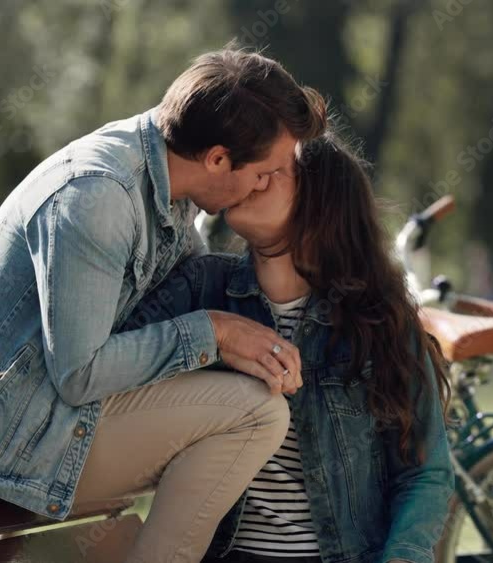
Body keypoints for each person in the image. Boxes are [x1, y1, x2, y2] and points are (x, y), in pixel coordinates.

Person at [0, 46, 327, 562]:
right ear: (218, 158)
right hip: (18, 430)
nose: (265, 184)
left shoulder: (162, 174)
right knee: (255, 415)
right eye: (264, 172)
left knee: (249, 396)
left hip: (46, 403)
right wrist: (216, 333)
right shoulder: (98, 198)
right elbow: (80, 374)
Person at [121, 130, 455, 563]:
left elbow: (425, 473)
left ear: (320, 202)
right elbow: (115, 363)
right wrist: (209, 338)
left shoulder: (381, 321)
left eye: (271, 172)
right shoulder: (202, 287)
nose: (248, 177)